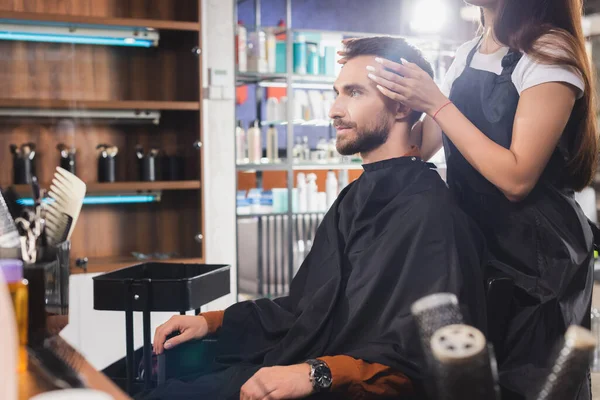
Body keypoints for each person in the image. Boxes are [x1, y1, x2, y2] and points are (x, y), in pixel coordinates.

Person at [138, 36, 488, 400]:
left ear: (401, 106)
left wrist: (318, 373)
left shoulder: (429, 213)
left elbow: (422, 359)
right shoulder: (354, 198)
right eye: (337, 92)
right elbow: (303, 308)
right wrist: (207, 322)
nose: (334, 109)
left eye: (354, 93)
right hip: (298, 368)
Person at [357, 1, 598, 399]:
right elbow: (422, 146)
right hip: (477, 248)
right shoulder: (469, 53)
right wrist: (373, 83)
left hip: (536, 264)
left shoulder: (551, 52)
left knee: (530, 384)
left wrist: (436, 101)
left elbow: (516, 177)